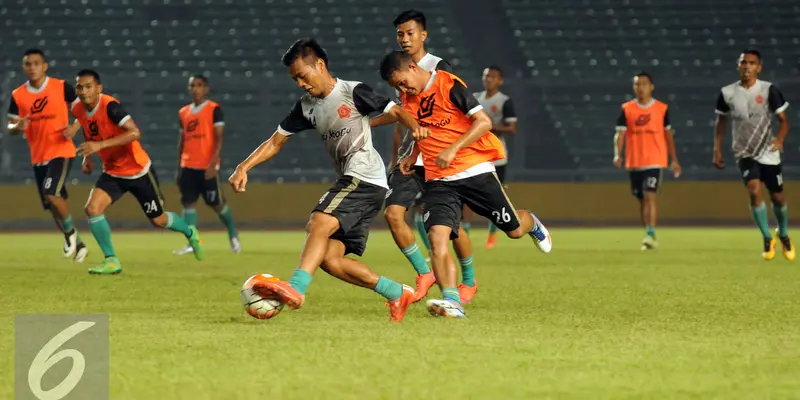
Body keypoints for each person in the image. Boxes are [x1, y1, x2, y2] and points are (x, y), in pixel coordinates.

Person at [228, 38, 427, 322]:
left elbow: (394, 111)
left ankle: (295, 288)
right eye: (295, 78)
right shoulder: (307, 106)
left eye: (302, 75)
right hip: (363, 185)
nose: (300, 83)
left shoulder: (352, 91)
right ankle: (397, 292)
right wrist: (243, 166)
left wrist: (415, 127)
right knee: (330, 260)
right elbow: (276, 141)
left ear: (319, 65)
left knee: (318, 222)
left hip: (364, 177)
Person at [378, 51, 552, 319]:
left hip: (474, 170)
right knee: (437, 237)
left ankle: (532, 223)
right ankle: (451, 300)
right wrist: (412, 157)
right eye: (397, 87)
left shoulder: (449, 85)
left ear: (413, 67)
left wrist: (452, 148)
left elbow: (484, 122)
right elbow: (421, 129)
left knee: (515, 230)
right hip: (438, 178)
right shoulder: (408, 97)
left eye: (402, 82)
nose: (403, 89)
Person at [377, 9, 479, 305]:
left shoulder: (439, 68)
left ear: (424, 34)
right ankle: (425, 273)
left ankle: (469, 281)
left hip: (439, 158)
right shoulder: (399, 71)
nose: (405, 39)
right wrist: (368, 125)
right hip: (411, 158)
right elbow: (401, 114)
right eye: (400, 34)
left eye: (410, 33)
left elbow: (459, 110)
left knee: (450, 229)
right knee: (393, 214)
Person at [70, 69, 204, 274]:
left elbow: (134, 132)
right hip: (113, 172)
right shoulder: (77, 109)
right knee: (92, 209)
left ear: (99, 88)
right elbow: (90, 131)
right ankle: (111, 260)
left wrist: (100, 146)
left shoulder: (110, 106)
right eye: (80, 86)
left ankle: (189, 231)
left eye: (88, 86)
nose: (84, 91)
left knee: (158, 220)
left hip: (138, 171)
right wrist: (88, 157)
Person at [6, 48, 88, 261]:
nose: (32, 67)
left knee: (51, 192)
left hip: (61, 150)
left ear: (44, 66)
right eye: (28, 64)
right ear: (24, 68)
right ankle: (78, 244)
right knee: (52, 204)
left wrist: (75, 127)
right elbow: (10, 124)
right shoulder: (18, 95)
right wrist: (17, 126)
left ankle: (69, 233)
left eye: (36, 63)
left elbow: (85, 107)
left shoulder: (61, 87)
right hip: (38, 156)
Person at [713, 49, 793, 261]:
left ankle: (783, 233)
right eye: (743, 63)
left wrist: (779, 140)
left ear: (759, 67)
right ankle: (767, 237)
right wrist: (717, 148)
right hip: (744, 151)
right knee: (753, 189)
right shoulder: (727, 93)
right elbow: (721, 122)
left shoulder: (768, 90)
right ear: (738, 66)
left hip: (768, 151)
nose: (747, 67)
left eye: (751, 63)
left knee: (777, 196)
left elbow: (784, 121)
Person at [173, 74, 241, 256]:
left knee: (217, 204)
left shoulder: (213, 110)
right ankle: (191, 242)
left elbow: (219, 139)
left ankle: (233, 234)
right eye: (192, 86)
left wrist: (213, 164)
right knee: (188, 204)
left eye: (199, 85)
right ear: (188, 89)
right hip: (188, 166)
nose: (195, 89)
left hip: (206, 167)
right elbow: (182, 141)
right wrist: (179, 167)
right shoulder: (183, 112)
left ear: (206, 88)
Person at [613, 72, 681, 250]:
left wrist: (674, 159)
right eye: (637, 84)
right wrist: (617, 154)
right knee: (642, 198)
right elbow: (620, 134)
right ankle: (648, 232)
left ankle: (650, 233)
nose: (640, 87)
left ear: (651, 87)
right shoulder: (627, 109)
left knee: (650, 196)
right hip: (635, 161)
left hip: (655, 160)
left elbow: (668, 135)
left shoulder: (661, 109)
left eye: (644, 84)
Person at [474, 65, 518, 250]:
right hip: (475, 155)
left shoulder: (504, 101)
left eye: (493, 77)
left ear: (500, 80)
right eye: (486, 76)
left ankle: (492, 235)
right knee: (468, 196)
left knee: (497, 197)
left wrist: (487, 126)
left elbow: (512, 129)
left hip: (497, 155)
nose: (488, 79)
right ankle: (465, 232)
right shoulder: (475, 98)